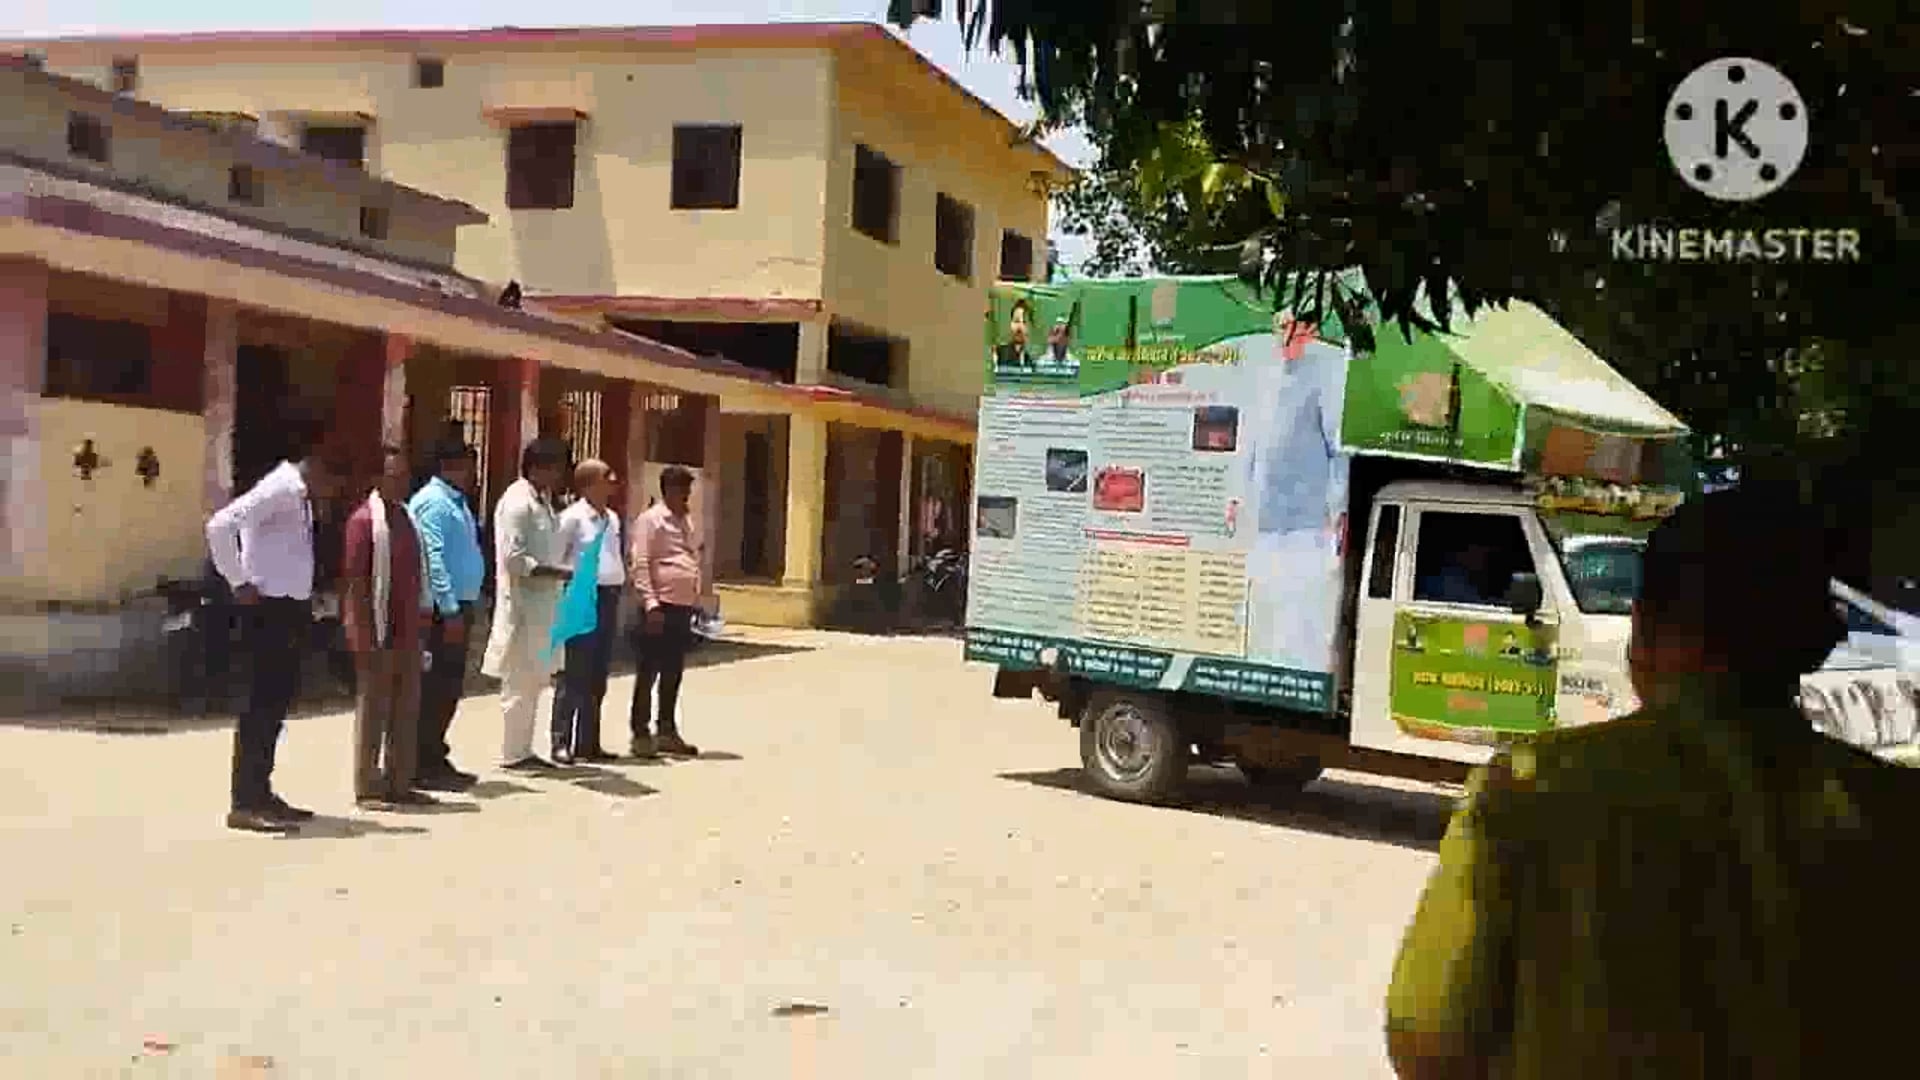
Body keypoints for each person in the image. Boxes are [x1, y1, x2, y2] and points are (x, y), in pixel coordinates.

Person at [1384, 487, 1920, 1079]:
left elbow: (1424, 1039)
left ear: (1643, 627)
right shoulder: (1897, 819)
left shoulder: (1531, 793)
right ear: (1817, 644)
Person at [204, 437, 341, 832]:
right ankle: (245, 801)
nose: (331, 494)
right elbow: (220, 526)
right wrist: (238, 580)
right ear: (317, 467)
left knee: (275, 707)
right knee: (259, 705)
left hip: (289, 611)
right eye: (332, 483)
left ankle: (261, 792)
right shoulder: (280, 489)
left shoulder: (299, 496)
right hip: (267, 611)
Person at [341, 445, 437, 811]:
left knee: (406, 711)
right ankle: (368, 786)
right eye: (394, 476)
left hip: (408, 633)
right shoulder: (364, 522)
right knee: (373, 712)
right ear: (376, 478)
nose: (401, 483)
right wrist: (362, 635)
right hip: (377, 632)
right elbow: (356, 585)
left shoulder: (408, 519)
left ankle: (400, 782)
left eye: (405, 476)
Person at [481, 437, 573, 771]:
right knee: (519, 683)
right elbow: (515, 560)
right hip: (523, 607)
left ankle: (524, 749)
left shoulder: (543, 502)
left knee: (534, 680)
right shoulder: (517, 503)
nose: (560, 476)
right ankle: (513, 753)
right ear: (538, 468)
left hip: (544, 608)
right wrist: (560, 572)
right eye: (556, 468)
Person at [408, 436, 487, 791]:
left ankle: (435, 754)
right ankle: (421, 762)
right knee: (435, 688)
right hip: (444, 612)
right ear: (449, 466)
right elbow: (433, 559)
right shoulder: (434, 503)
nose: (473, 474)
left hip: (460, 606)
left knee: (449, 688)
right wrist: (450, 608)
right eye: (468, 466)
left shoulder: (457, 502)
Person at [551, 458, 624, 764]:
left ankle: (588, 741)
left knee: (598, 673)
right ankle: (561, 740)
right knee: (574, 671)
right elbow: (556, 558)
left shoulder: (613, 518)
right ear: (588, 484)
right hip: (581, 597)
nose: (614, 481)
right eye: (607, 476)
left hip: (609, 596)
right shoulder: (572, 518)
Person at [628, 465, 704, 758]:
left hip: (682, 605)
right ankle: (640, 732)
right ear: (668, 490)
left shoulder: (686, 521)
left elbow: (690, 556)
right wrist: (651, 603)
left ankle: (667, 730)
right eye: (681, 490)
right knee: (648, 670)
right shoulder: (651, 520)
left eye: (688, 491)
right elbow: (641, 562)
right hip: (659, 605)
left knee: (673, 671)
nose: (685, 496)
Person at [995, 298, 1036, 368]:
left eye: (1024, 322)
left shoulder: (1031, 361)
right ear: (1011, 324)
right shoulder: (999, 353)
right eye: (1016, 321)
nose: (1020, 327)